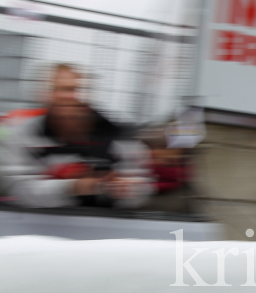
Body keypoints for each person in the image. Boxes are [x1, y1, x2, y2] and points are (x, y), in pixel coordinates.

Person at [0, 63, 152, 209]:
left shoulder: (117, 134)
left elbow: (143, 186)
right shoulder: (24, 134)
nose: (66, 96)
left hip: (108, 225)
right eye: (56, 89)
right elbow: (16, 189)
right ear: (42, 94)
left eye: (74, 89)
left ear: (87, 93)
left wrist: (125, 190)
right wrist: (72, 187)